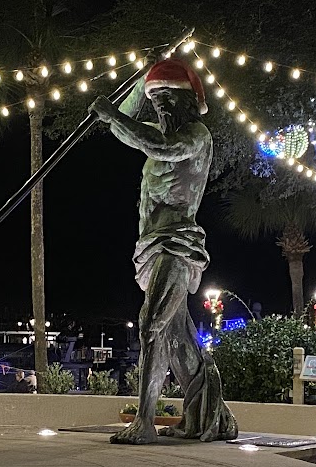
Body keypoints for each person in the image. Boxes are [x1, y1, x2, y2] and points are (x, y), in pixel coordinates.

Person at [88, 56, 238, 444]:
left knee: (151, 324)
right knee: (175, 337)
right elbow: (126, 127)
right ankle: (207, 412)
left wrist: (114, 116)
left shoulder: (195, 136)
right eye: (156, 102)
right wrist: (143, 78)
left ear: (190, 101)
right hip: (151, 246)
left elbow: (159, 144)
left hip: (176, 243)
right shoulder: (155, 129)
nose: (161, 108)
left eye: (169, 99)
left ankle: (144, 421)